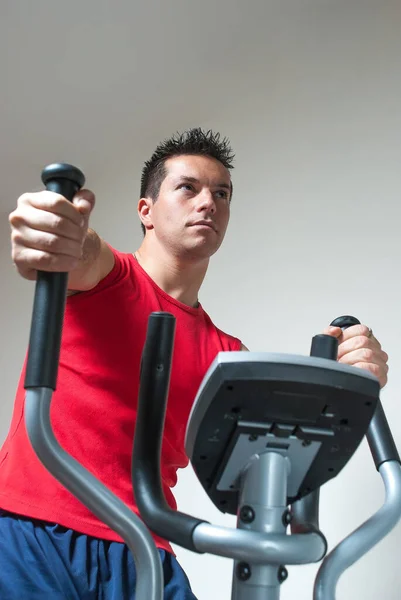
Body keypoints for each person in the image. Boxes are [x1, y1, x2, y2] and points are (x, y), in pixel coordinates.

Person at [0, 128, 389, 599]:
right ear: (146, 210)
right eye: (188, 188)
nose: (209, 202)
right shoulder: (107, 276)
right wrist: (55, 233)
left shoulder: (229, 357)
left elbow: (273, 475)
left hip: (144, 545)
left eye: (221, 193)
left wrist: (350, 389)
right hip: (35, 528)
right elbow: (79, 249)